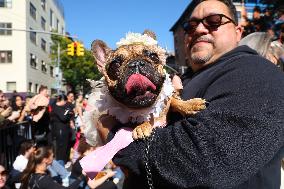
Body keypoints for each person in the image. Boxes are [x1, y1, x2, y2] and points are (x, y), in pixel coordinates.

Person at [96, 0, 284, 189]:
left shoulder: (257, 73)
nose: (199, 29)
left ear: (238, 32)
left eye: (214, 20)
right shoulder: (182, 78)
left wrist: (113, 136)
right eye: (190, 25)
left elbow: (203, 162)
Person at [50, 94, 74, 165]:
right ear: (62, 100)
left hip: (65, 130)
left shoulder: (63, 107)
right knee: (61, 148)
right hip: (60, 130)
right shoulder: (55, 107)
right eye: (65, 101)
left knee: (66, 147)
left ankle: (65, 161)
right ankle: (61, 163)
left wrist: (68, 113)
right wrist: (67, 112)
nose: (66, 103)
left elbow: (71, 113)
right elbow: (63, 117)